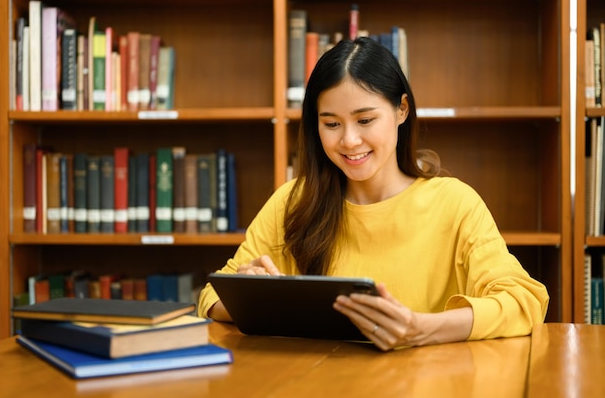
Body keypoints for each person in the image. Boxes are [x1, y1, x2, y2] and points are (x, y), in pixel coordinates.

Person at [198, 36, 549, 351]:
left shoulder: (454, 204)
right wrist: (251, 296)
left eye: (365, 120)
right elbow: (212, 296)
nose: (349, 141)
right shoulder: (294, 201)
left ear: (402, 110)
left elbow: (525, 301)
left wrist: (423, 329)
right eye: (331, 124)